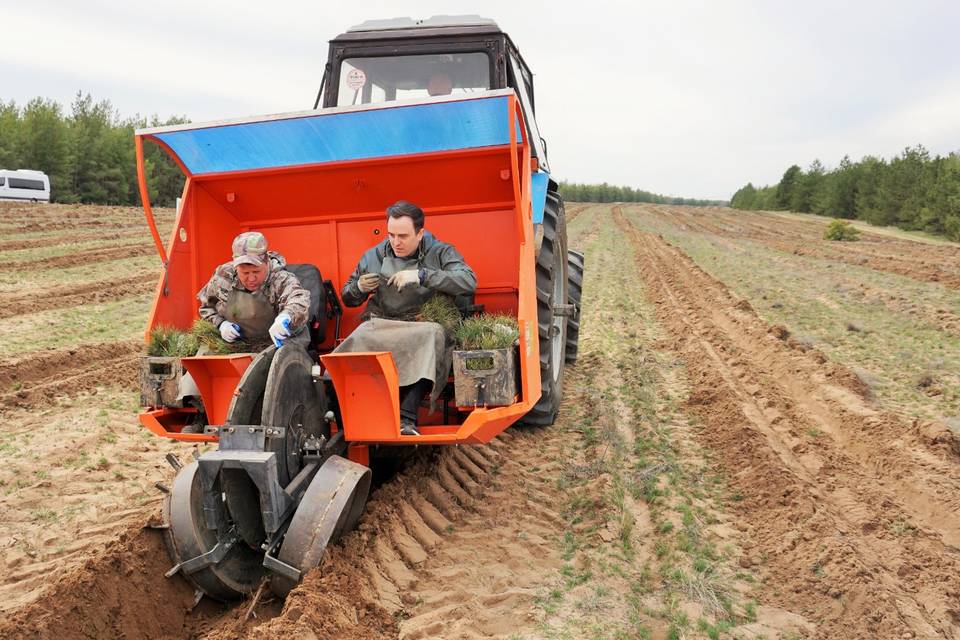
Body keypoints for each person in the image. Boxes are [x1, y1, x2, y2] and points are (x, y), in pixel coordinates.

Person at [338, 201, 476, 435]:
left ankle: (407, 418)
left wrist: (422, 276)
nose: (395, 242)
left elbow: (468, 281)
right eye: (391, 234)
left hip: (424, 323)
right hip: (383, 322)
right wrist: (358, 288)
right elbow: (348, 298)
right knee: (358, 337)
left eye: (403, 236)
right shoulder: (373, 256)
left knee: (430, 336)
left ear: (420, 233)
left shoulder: (441, 252)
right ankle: (349, 413)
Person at [198, 231, 311, 349]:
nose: (251, 279)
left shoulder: (281, 278)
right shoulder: (223, 277)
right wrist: (221, 324)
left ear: (266, 262)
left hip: (279, 343)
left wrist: (286, 317)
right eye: (245, 273)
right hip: (239, 344)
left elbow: (298, 299)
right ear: (236, 267)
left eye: (256, 271)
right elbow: (206, 308)